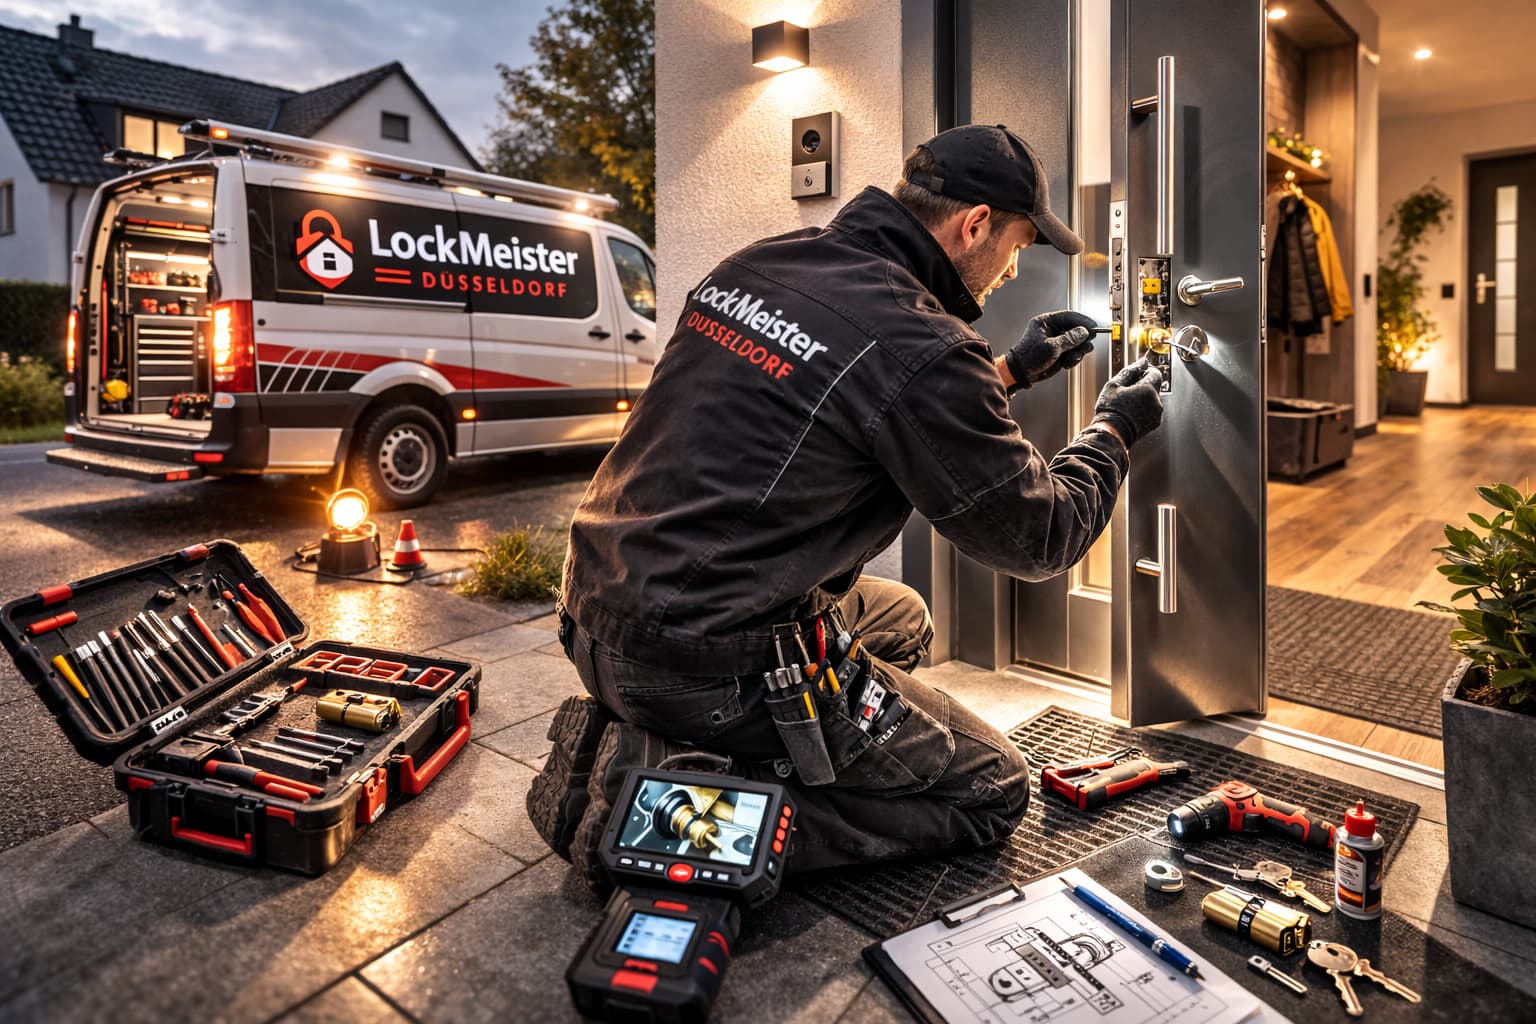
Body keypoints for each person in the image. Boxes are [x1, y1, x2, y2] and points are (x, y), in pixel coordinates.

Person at [529, 124, 1165, 886]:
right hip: (699, 662)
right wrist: (1113, 430)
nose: (1012, 267)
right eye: (1019, 244)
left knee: (902, 618)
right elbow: (1039, 537)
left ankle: (712, 747)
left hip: (595, 612)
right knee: (992, 790)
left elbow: (855, 398)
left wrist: (1009, 370)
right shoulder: (922, 342)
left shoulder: (762, 264)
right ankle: (660, 807)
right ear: (974, 226)